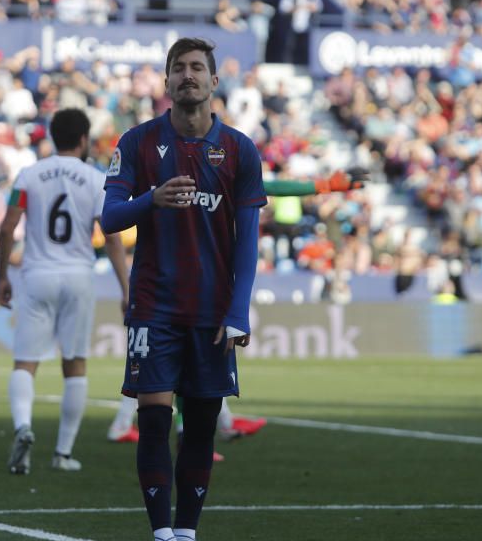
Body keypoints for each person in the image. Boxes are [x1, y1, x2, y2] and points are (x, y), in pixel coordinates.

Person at [100, 38, 266, 541]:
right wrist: (152, 199)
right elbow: (108, 218)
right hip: (154, 305)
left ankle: (189, 536)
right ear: (166, 82)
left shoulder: (239, 149)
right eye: (179, 69)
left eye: (198, 68)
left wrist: (238, 310)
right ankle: (163, 540)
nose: (188, 76)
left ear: (214, 82)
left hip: (213, 311)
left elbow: (247, 239)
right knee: (153, 419)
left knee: (200, 423)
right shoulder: (138, 142)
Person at [105, 169, 369, 445]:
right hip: (173, 289)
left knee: (186, 365)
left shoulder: (212, 171)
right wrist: (323, 185)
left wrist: (323, 185)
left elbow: (268, 186)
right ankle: (183, 434)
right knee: (181, 366)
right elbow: (115, 212)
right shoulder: (167, 168)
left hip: (197, 285)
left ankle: (209, 427)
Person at [0, 109, 130, 475]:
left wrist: (1, 277)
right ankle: (63, 453)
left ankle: (24, 426)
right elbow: (113, 235)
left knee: (25, 361)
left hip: (37, 274)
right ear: (84, 139)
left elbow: (8, 228)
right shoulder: (96, 178)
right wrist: (125, 288)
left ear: (53, 138)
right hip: (77, 276)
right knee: (75, 364)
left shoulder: (28, 175)